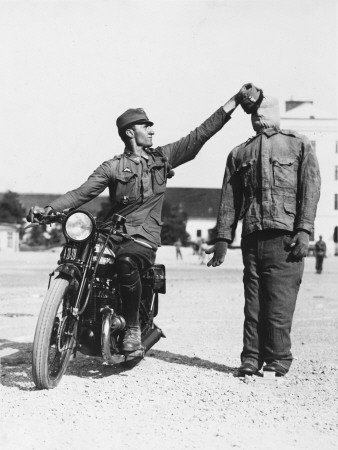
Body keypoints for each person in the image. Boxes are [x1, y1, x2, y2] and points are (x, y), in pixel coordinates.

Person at [27, 84, 251, 353]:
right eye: (147, 126)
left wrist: (234, 101)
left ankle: (132, 327)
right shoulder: (112, 167)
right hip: (111, 233)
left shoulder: (163, 158)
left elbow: (200, 134)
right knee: (79, 255)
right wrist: (48, 209)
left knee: (126, 262)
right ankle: (72, 317)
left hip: (143, 237)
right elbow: (81, 194)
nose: (153, 131)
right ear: (131, 132)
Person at [206, 84, 321, 377]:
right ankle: (251, 358)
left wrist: (304, 230)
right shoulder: (240, 153)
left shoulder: (299, 145)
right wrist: (222, 237)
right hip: (253, 237)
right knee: (254, 303)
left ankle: (279, 358)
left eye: (259, 112)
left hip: (285, 237)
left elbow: (310, 190)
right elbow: (229, 199)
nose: (257, 118)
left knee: (279, 302)